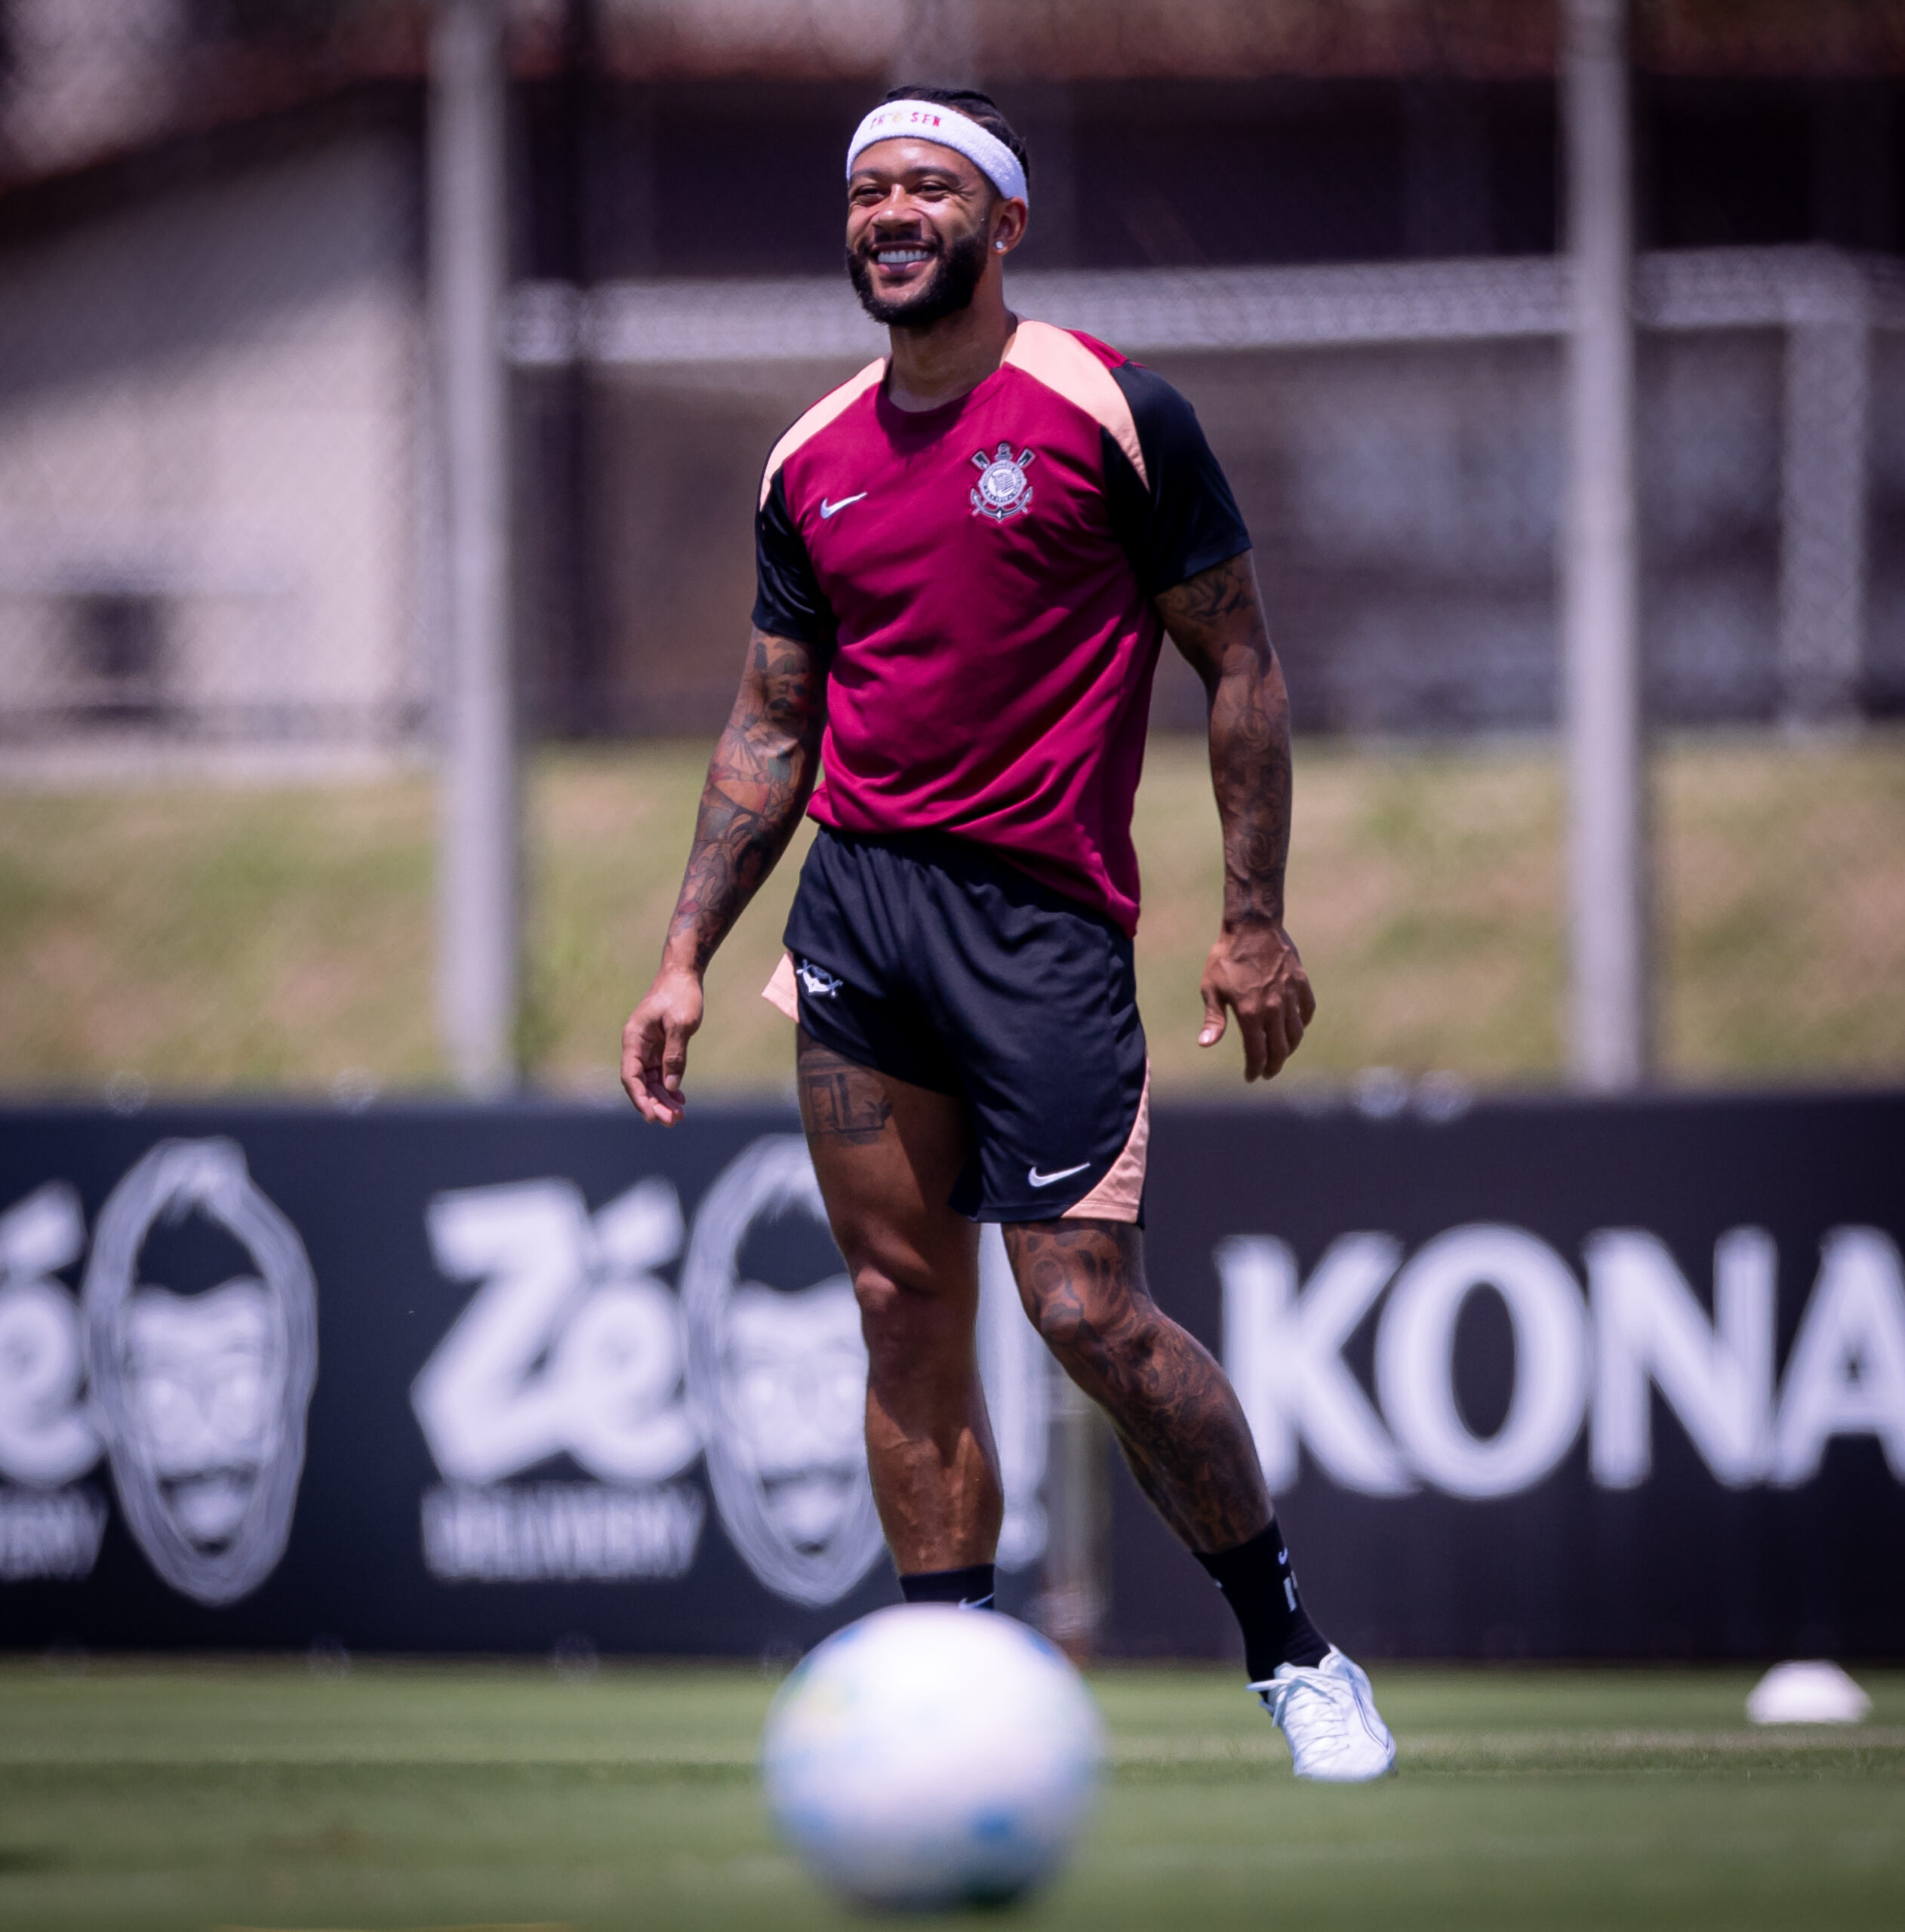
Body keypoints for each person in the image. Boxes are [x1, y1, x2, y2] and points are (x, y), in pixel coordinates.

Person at [623, 85, 1395, 1782]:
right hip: (859, 918)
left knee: (1083, 1313)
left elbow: (1242, 665)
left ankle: (1289, 1648)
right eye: (865, 191)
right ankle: (956, 1700)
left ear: (1003, 223)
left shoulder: (1110, 412)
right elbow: (770, 721)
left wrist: (1249, 919)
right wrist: (686, 947)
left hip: (1041, 931)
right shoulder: (806, 458)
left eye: (927, 187)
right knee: (903, 1301)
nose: (889, 213)